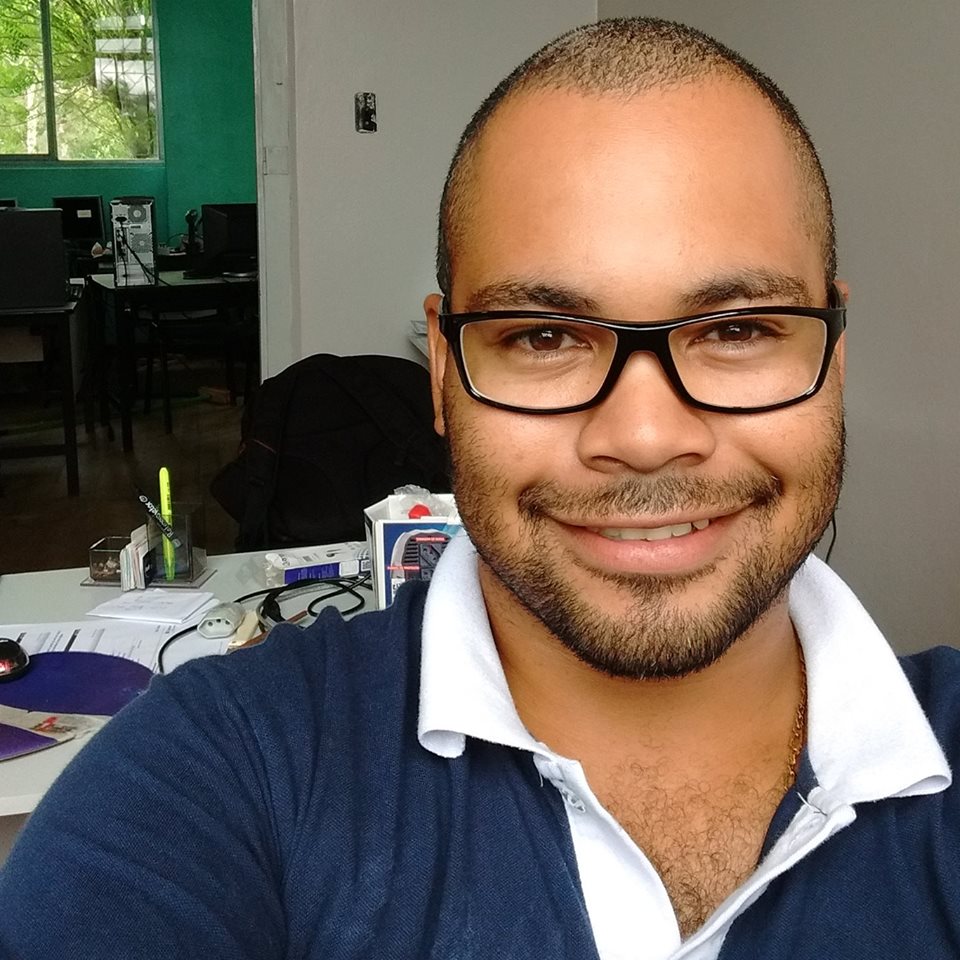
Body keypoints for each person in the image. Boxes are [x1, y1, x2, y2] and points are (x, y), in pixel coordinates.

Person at [1, 16, 958, 960]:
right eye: (544, 336)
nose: (645, 438)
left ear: (833, 355)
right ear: (442, 375)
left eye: (737, 330)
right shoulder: (210, 772)